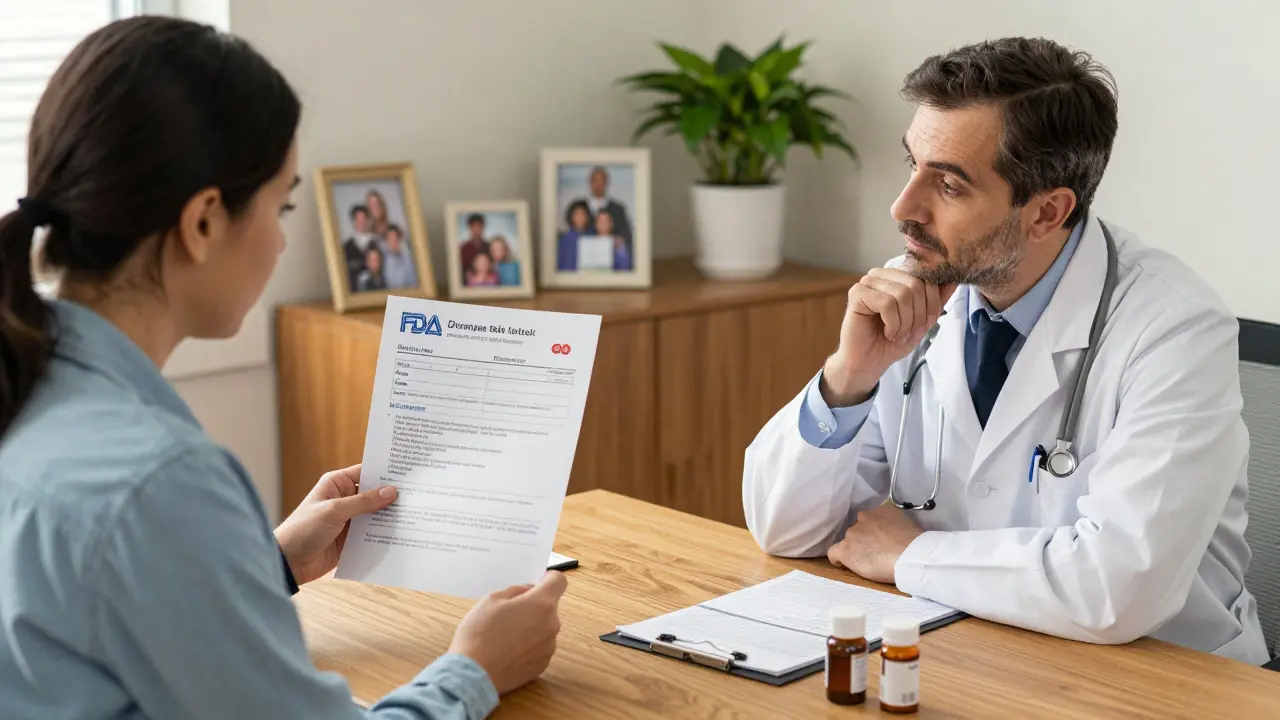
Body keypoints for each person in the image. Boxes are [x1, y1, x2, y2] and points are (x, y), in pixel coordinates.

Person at [0, 16, 566, 720]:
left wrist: (266, 566)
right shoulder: (158, 480)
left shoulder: (27, 390)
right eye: (283, 204)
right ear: (203, 221)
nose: (279, 241)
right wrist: (475, 668)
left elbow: (85, 613)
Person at [742, 37, 1268, 665]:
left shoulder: (1174, 328)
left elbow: (1119, 588)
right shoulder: (913, 297)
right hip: (978, 652)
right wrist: (849, 378)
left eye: (950, 186)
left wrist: (911, 554)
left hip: (1164, 679)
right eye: (911, 165)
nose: (903, 207)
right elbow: (785, 530)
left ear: (1048, 211)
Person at [579, 166, 631, 243]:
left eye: (602, 181)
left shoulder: (618, 209)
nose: (598, 185)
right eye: (595, 180)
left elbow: (626, 236)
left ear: (607, 183)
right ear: (590, 182)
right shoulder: (580, 208)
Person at [341, 204, 375, 291]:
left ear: (368, 220)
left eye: (363, 219)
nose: (361, 223)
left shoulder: (376, 243)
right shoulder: (346, 247)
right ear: (353, 221)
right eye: (358, 220)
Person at [556, 200, 592, 271]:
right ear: (571, 216)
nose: (580, 217)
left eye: (583, 214)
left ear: (587, 216)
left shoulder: (592, 237)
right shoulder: (564, 239)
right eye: (576, 214)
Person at [379, 224, 418, 289]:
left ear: (400, 239)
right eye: (390, 239)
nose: (394, 242)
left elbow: (413, 281)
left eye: (396, 239)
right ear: (386, 241)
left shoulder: (408, 258)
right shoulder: (382, 259)